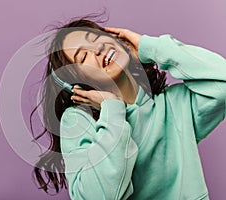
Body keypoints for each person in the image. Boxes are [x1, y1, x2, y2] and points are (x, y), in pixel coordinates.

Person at [30, 17, 226, 200]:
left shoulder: (174, 105)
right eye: (83, 56)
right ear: (78, 83)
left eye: (96, 38)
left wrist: (150, 47)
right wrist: (112, 110)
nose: (97, 48)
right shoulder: (78, 121)